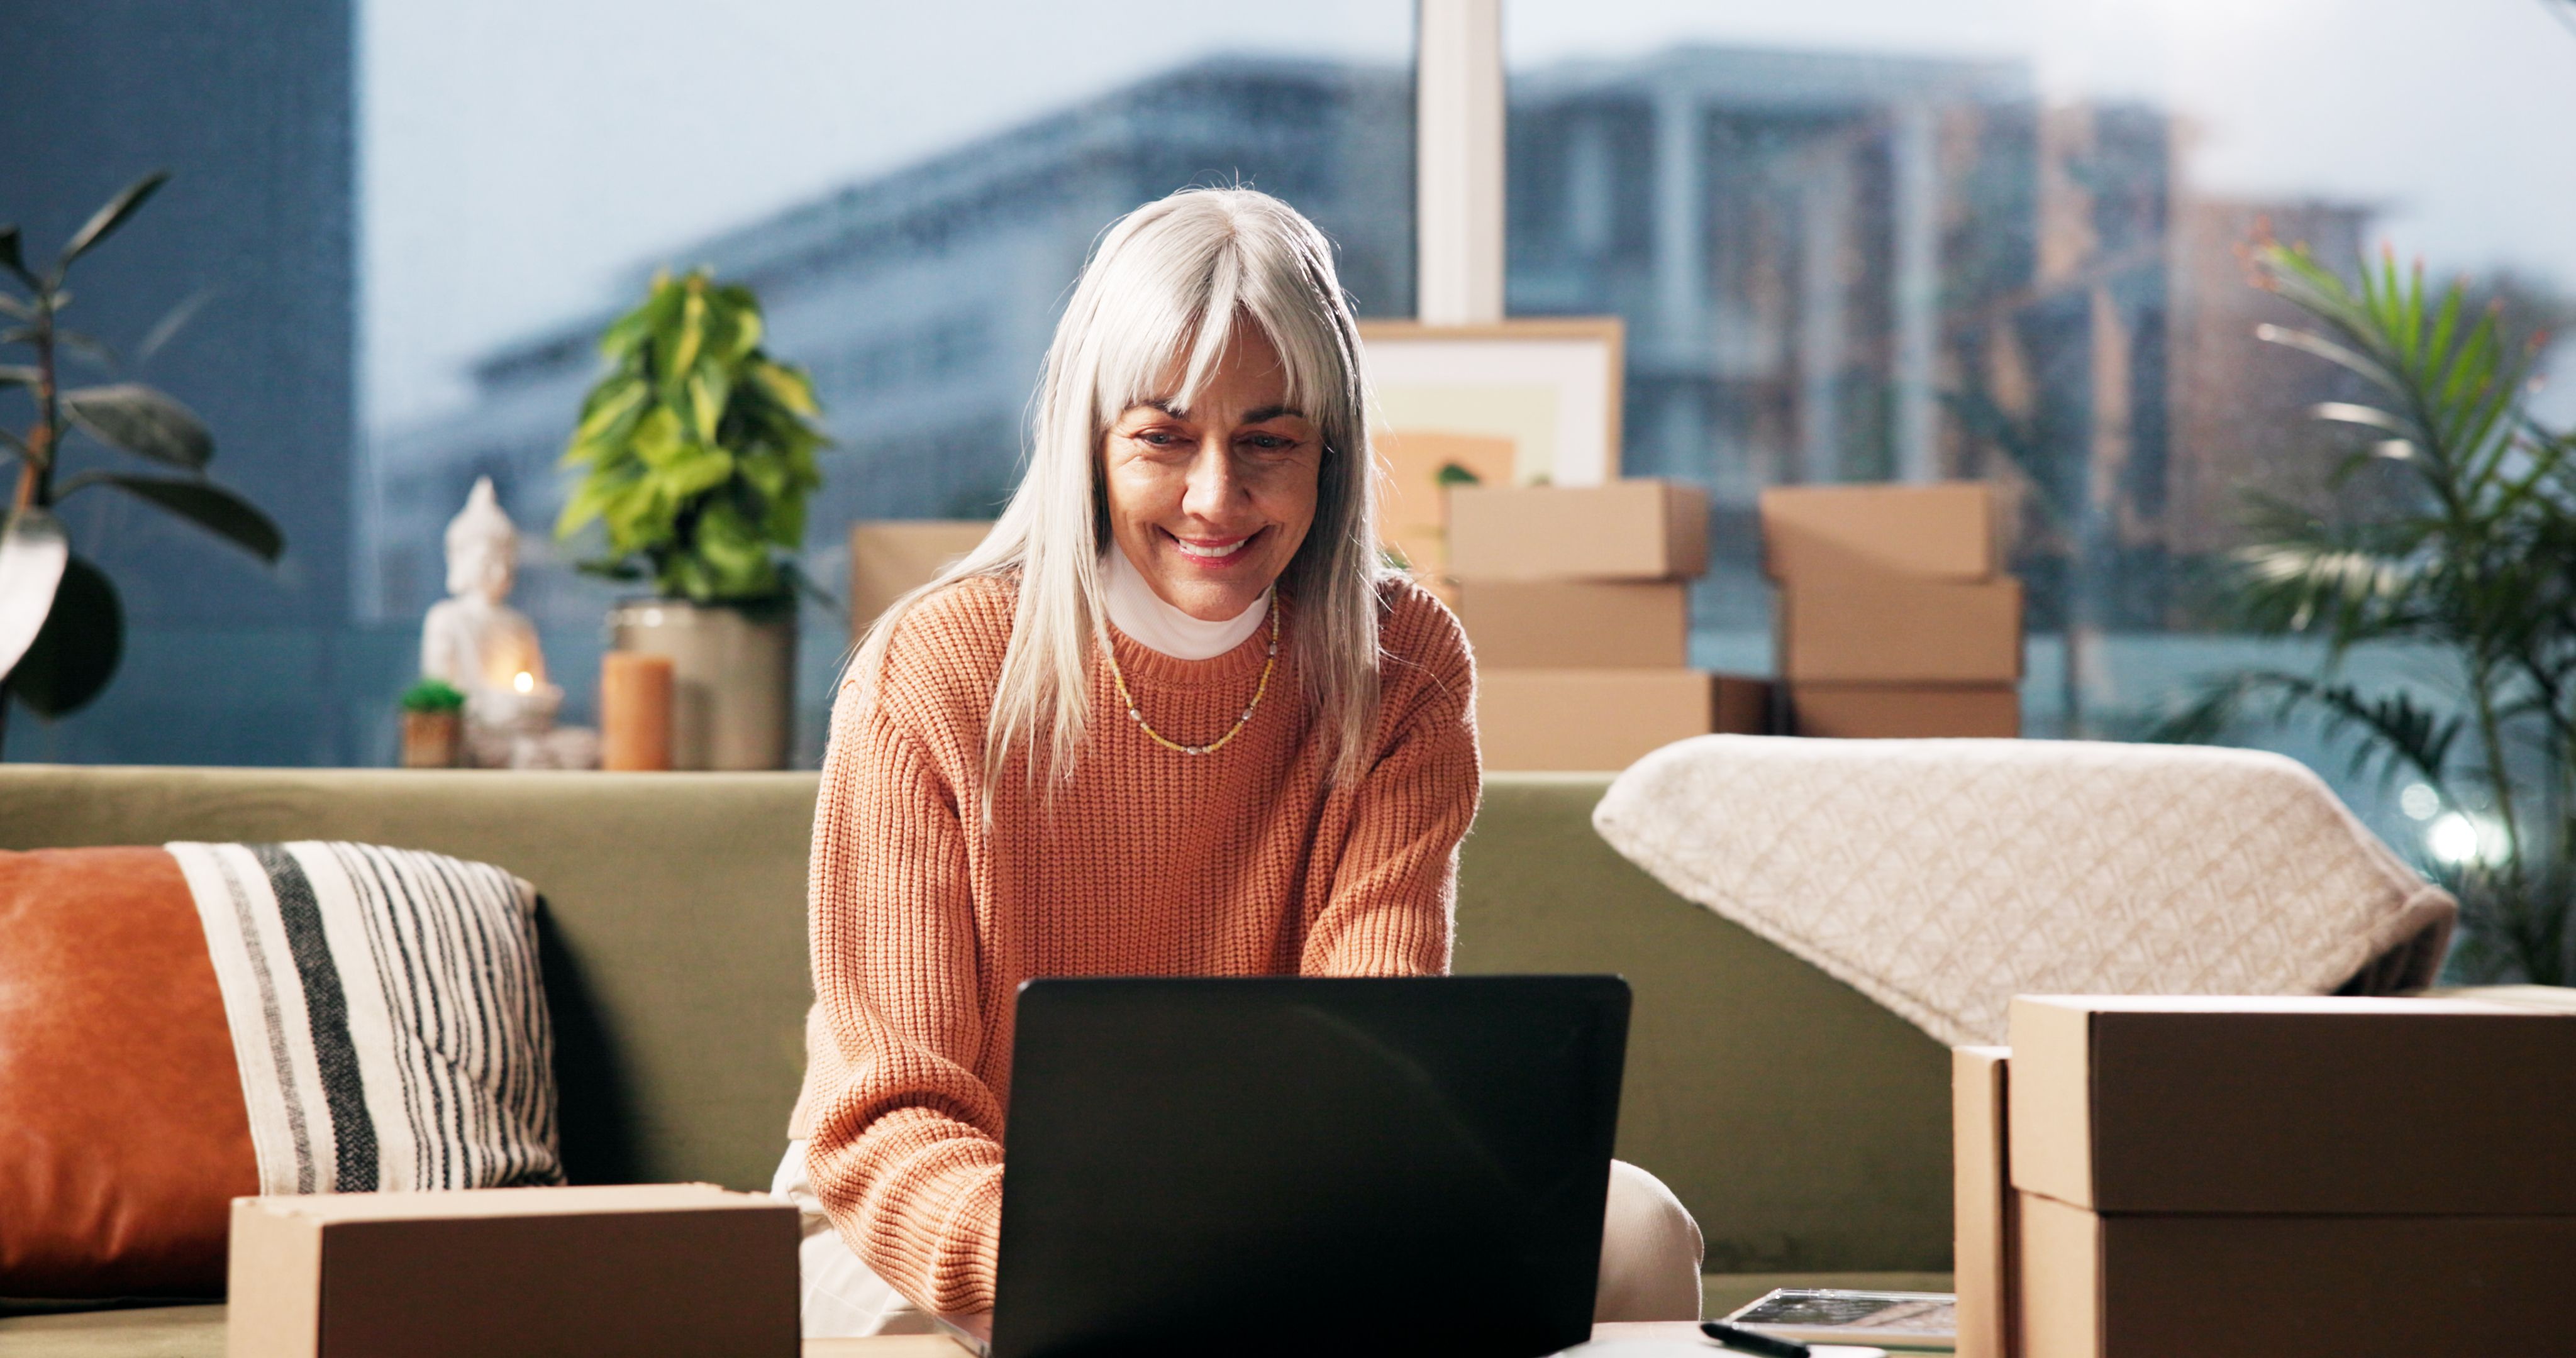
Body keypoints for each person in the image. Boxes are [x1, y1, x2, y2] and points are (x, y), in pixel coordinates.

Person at [773, 187, 1704, 1337]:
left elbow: (1376, 1052)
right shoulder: (933, 670)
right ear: (1091, 443)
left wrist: (1263, 1239)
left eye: (1267, 442)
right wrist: (1097, 1262)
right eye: (1163, 438)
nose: (1218, 496)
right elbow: (889, 1112)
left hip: (1277, 1206)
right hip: (933, 1220)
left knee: (1641, 1228)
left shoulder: (1402, 667)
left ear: (1332, 452)